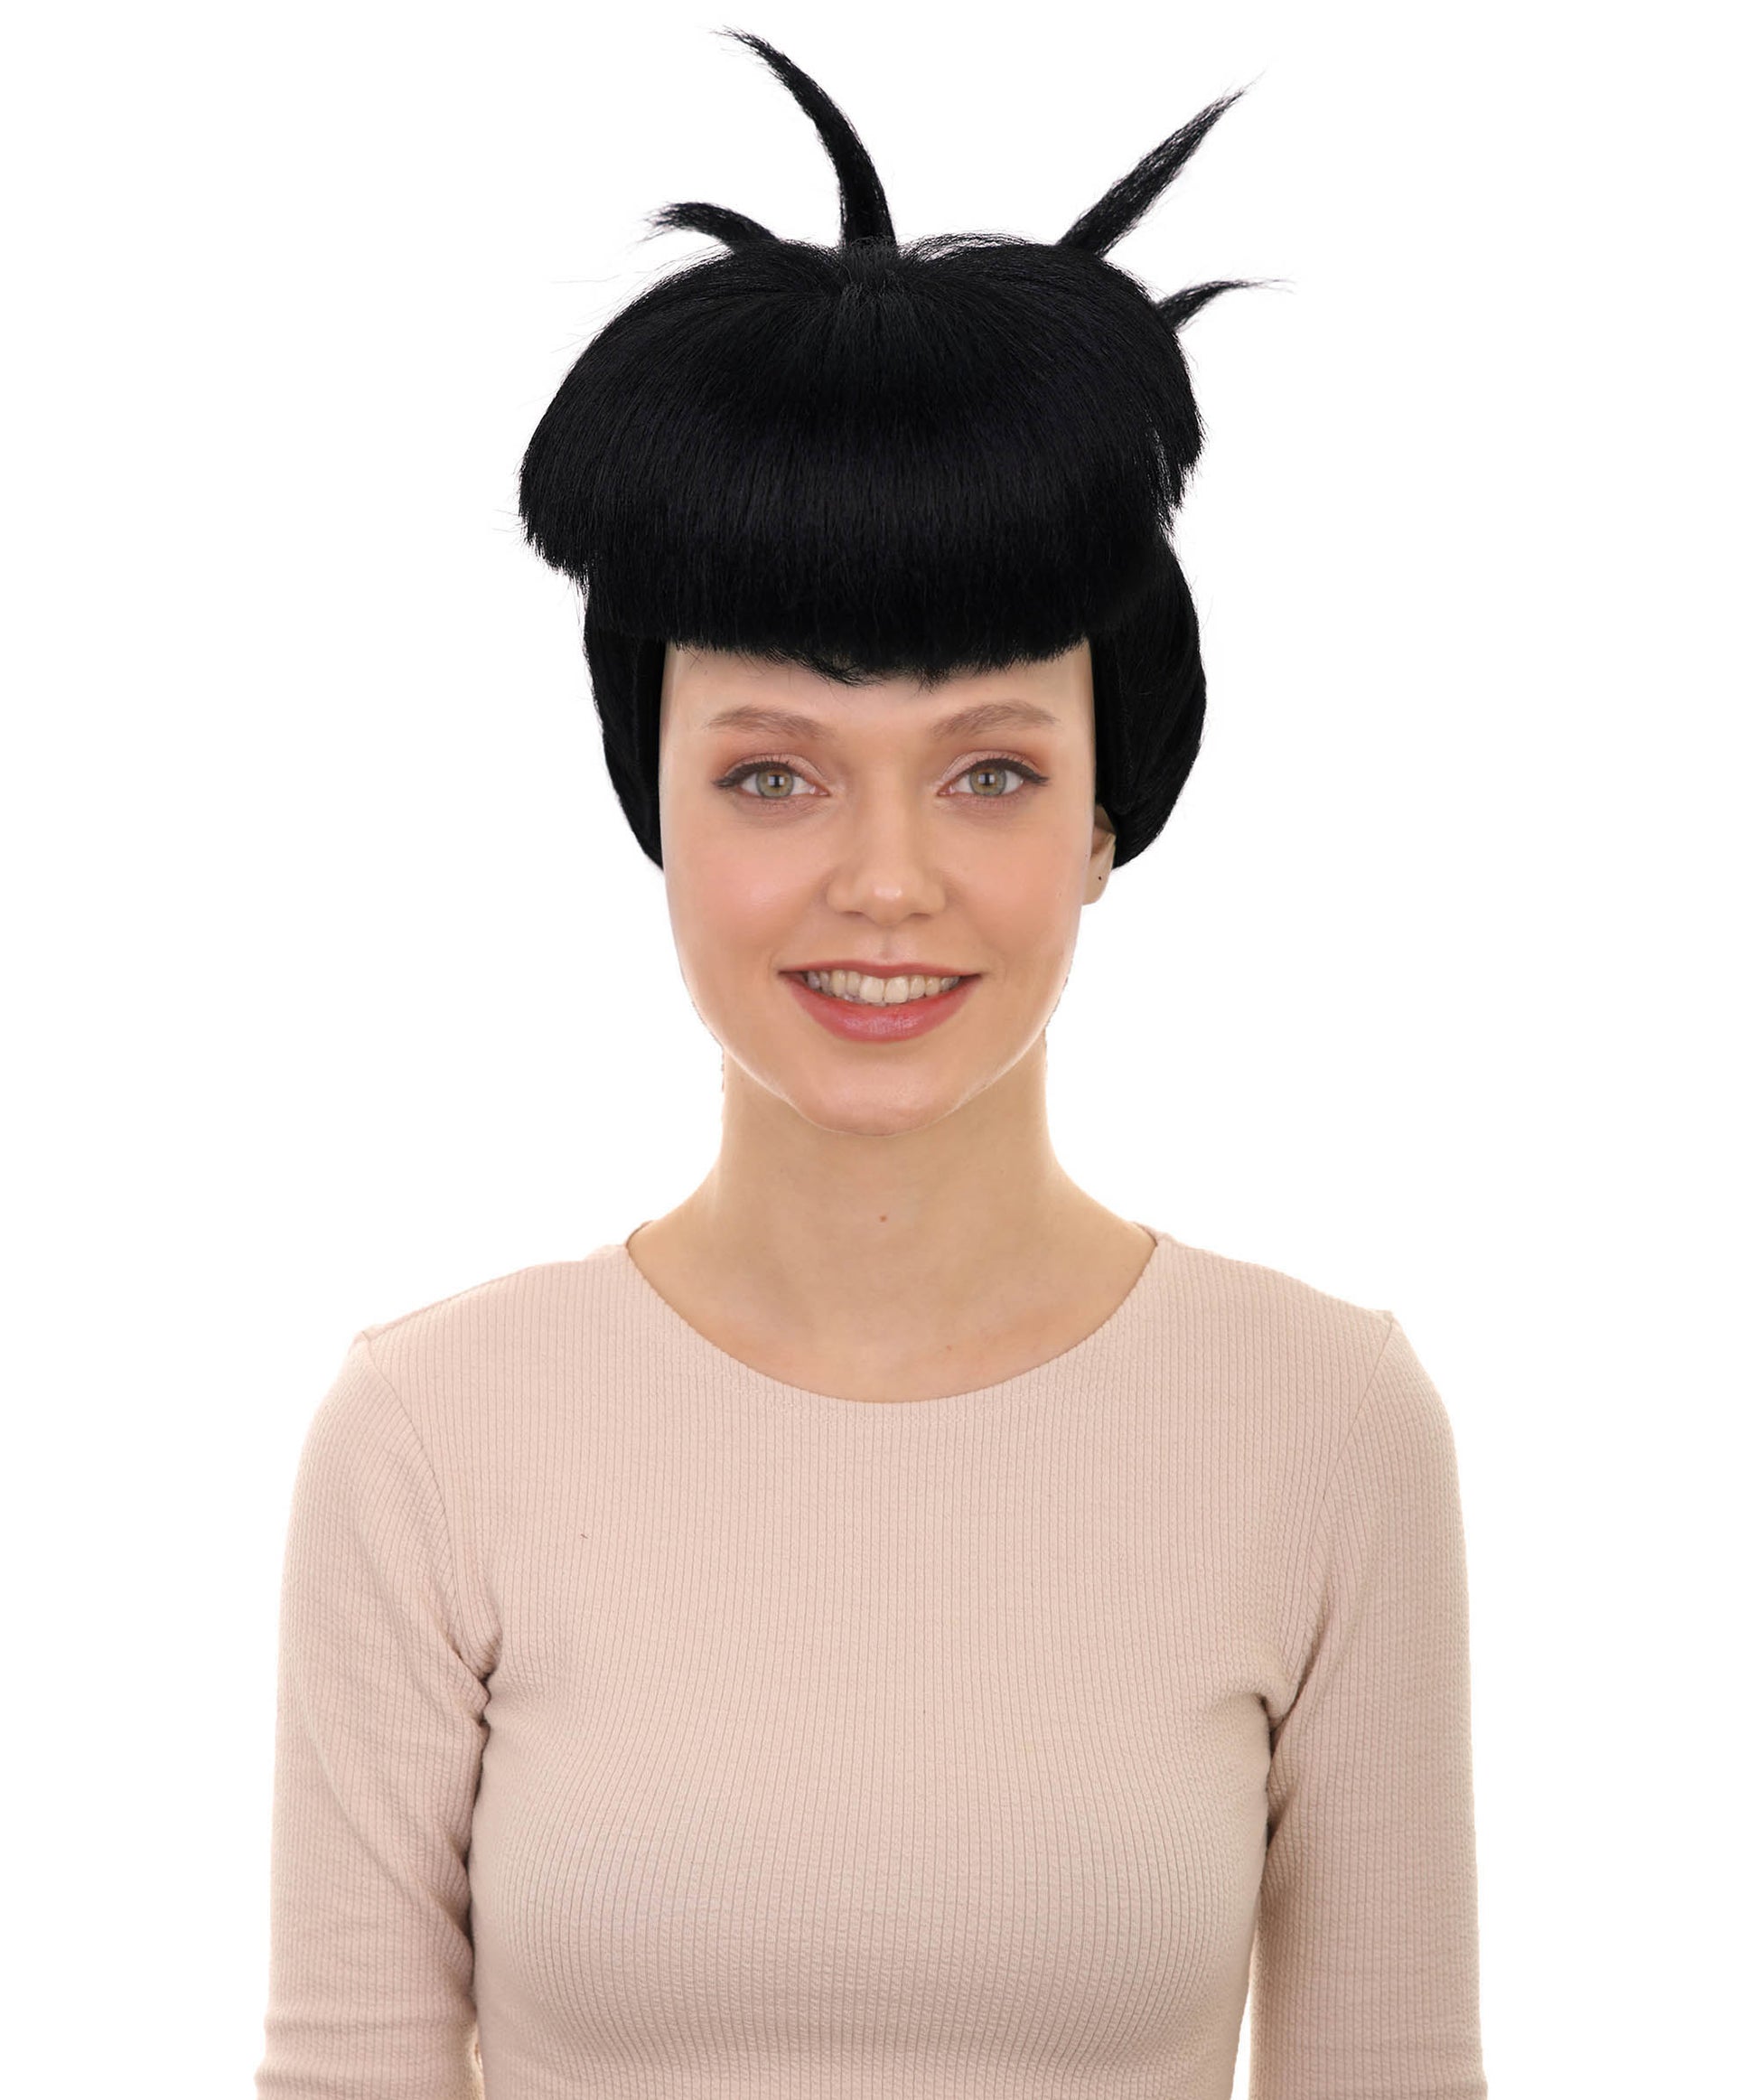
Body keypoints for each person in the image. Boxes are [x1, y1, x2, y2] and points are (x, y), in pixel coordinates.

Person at [255, 30, 1488, 2100]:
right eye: (773, 772)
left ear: (1107, 813)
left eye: (990, 769)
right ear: (653, 802)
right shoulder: (430, 1440)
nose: (886, 880)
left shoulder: (1326, 1428)